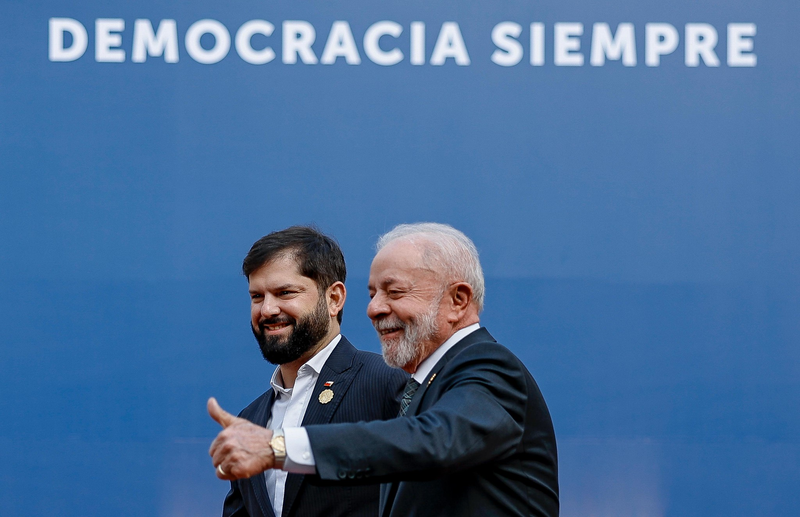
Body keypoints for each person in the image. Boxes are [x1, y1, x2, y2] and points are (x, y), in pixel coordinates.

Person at [209, 223, 559, 517]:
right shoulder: (426, 387)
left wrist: (278, 447)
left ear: (458, 301)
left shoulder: (489, 366)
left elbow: (432, 441)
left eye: (394, 292)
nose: (373, 308)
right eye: (373, 293)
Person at [216, 226, 408, 517]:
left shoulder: (386, 382)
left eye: (285, 293)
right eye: (257, 296)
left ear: (334, 299)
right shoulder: (251, 419)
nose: (267, 310)